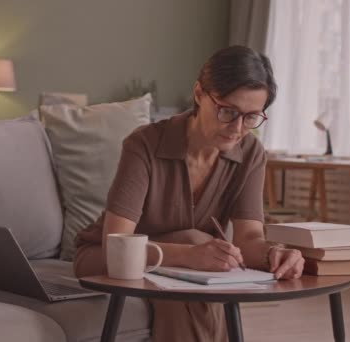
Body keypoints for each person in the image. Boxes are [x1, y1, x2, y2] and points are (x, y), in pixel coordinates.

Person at [74, 45, 305, 342]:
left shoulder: (250, 153)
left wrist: (276, 253)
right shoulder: (144, 144)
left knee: (197, 263)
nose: (236, 129)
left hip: (181, 269)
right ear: (199, 93)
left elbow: (248, 239)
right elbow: (116, 246)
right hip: (104, 258)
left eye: (250, 117)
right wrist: (189, 255)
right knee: (196, 240)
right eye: (227, 111)